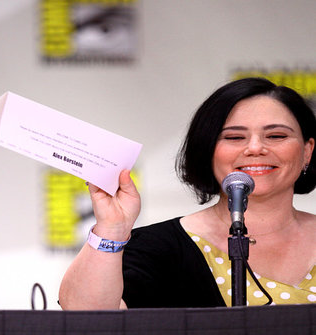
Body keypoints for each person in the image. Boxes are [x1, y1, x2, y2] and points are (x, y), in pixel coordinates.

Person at [59, 77, 316, 309]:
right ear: (207, 150)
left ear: (307, 151)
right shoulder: (160, 248)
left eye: (276, 135)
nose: (256, 148)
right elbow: (87, 319)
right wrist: (112, 229)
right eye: (235, 137)